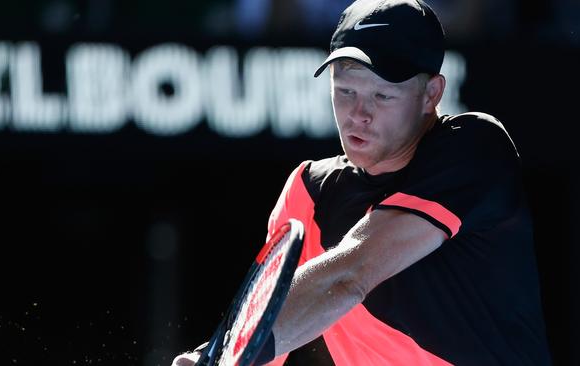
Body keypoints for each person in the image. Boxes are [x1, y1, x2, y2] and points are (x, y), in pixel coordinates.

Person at [173, 0, 552, 364]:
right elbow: (267, 326)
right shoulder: (306, 192)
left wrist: (225, 355)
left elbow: (350, 275)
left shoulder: (476, 148)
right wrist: (213, 353)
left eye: (382, 95)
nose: (359, 114)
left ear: (431, 94)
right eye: (345, 91)